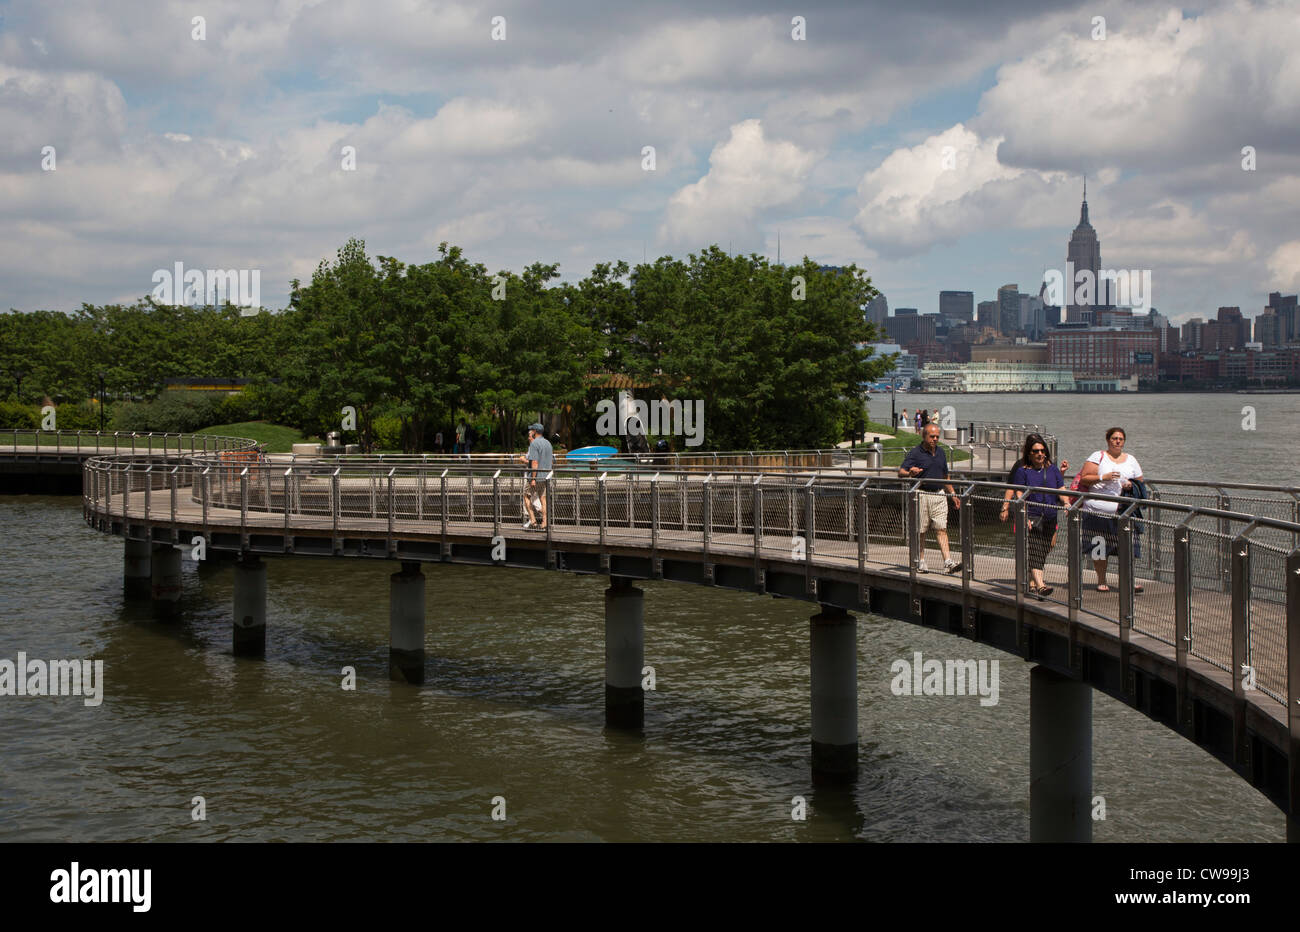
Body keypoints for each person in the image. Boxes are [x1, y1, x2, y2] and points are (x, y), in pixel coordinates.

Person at [999, 433, 1069, 599]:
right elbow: (1018, 492)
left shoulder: (1052, 469)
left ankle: (1032, 576)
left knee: (1047, 546)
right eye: (1036, 451)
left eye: (1042, 450)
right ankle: (1040, 586)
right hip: (1033, 516)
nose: (1040, 454)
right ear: (1029, 453)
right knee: (1036, 548)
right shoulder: (1022, 470)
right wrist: (1014, 510)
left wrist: (1066, 503)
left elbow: (1060, 488)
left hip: (1050, 515)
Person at [1077, 427, 1144, 593]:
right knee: (1099, 547)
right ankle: (1101, 580)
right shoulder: (1097, 456)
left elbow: (1140, 483)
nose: (1118, 441)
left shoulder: (1131, 460)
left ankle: (1129, 580)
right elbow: (1084, 479)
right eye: (1114, 438)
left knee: (1128, 547)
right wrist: (1103, 477)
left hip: (1123, 512)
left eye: (1121, 439)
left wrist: (1131, 484)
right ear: (1108, 440)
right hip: (1097, 511)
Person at [898, 422, 962, 573]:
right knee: (921, 530)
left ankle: (948, 562)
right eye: (932, 436)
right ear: (924, 436)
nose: (935, 439)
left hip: (939, 494)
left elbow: (946, 476)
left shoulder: (941, 452)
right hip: (922, 494)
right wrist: (910, 473)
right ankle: (920, 561)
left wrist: (952, 494)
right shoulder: (915, 453)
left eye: (937, 437)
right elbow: (900, 472)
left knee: (942, 528)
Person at [519, 422, 553, 530]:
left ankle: (533, 520)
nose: (531, 432)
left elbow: (534, 462)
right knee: (543, 499)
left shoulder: (534, 444)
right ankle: (544, 522)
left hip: (536, 476)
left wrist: (533, 478)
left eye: (532, 430)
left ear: (534, 432)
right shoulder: (548, 443)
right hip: (546, 476)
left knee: (526, 496)